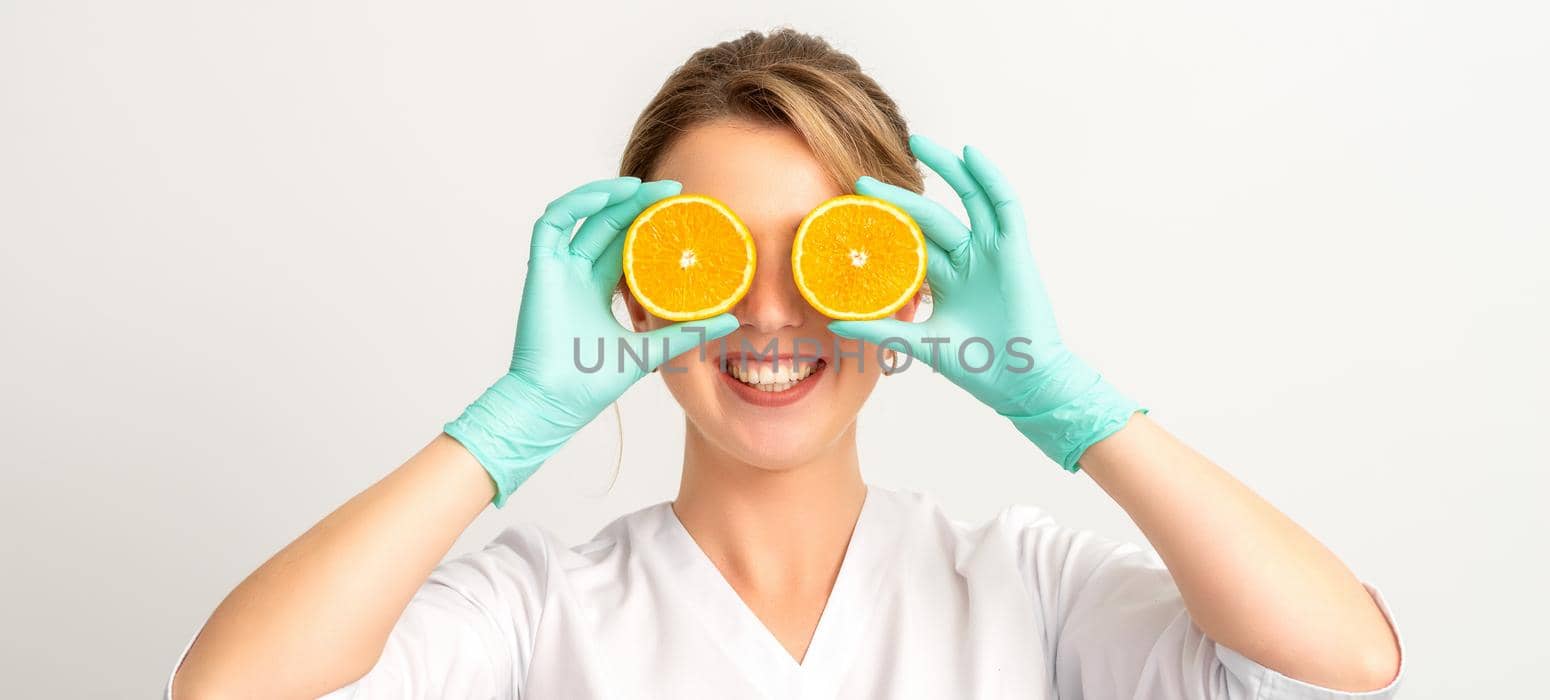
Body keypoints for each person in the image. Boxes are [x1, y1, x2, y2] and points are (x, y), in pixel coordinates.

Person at [167, 28, 1403, 699]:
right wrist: (510, 425)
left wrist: (1065, 398)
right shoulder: (538, 611)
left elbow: (1341, 665)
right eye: (712, 257)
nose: (768, 316)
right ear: (633, 287)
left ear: (909, 284)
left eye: (827, 259)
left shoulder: (1026, 587)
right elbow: (229, 694)